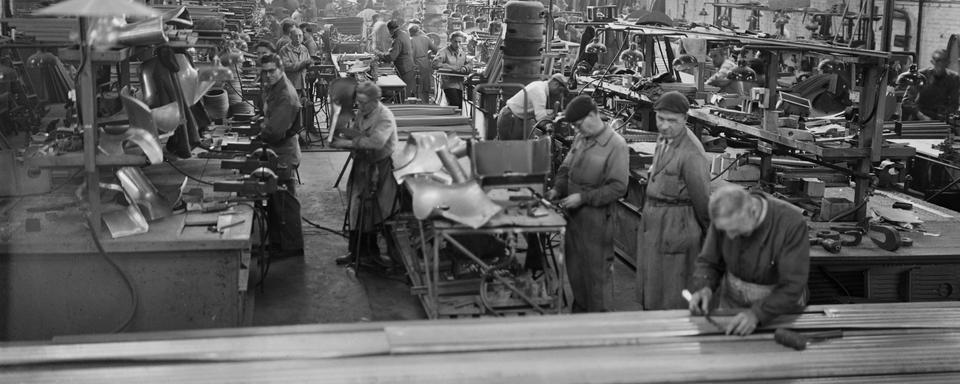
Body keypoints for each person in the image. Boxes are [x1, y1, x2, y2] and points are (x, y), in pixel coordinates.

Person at [687, 185, 810, 336]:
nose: (730, 237)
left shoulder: (791, 224)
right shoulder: (725, 217)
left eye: (735, 231)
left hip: (778, 309)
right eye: (726, 231)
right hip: (732, 302)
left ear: (753, 211)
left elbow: (792, 285)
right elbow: (709, 261)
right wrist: (704, 287)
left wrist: (757, 314)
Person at [545, 95, 629, 313]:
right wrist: (557, 188)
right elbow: (565, 167)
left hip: (597, 223)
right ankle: (579, 318)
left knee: (596, 279)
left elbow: (619, 187)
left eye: (579, 124)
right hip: (574, 220)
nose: (577, 129)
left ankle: (599, 325)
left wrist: (582, 198)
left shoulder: (616, 145)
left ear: (593, 115)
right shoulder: (582, 137)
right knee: (576, 274)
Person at [636, 91, 711, 310]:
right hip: (656, 223)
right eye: (661, 119)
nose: (665, 125)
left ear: (685, 119)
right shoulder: (664, 139)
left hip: (677, 226)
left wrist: (710, 240)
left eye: (672, 121)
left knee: (672, 292)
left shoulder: (691, 153)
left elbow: (703, 201)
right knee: (653, 284)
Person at [331, 81, 399, 268]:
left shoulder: (384, 116)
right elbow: (359, 132)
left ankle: (374, 255)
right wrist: (342, 131)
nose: (358, 106)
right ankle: (356, 252)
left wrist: (347, 144)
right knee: (355, 207)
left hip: (380, 167)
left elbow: (376, 142)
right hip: (363, 164)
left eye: (362, 103)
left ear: (374, 101)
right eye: (357, 102)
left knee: (374, 212)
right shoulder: (364, 111)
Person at [256, 53, 302, 194]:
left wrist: (260, 130)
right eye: (265, 71)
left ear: (281, 69)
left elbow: (274, 133)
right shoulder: (275, 86)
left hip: (283, 155)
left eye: (272, 71)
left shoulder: (285, 96)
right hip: (278, 150)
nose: (268, 75)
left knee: (284, 204)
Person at [494, 73, 567, 140]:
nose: (559, 94)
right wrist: (552, 126)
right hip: (511, 118)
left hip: (517, 117)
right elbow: (541, 120)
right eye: (560, 91)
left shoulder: (539, 85)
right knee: (511, 149)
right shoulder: (540, 92)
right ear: (556, 84)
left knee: (518, 149)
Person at [911, 49, 960, 120]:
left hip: (940, 118)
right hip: (920, 117)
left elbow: (954, 104)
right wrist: (921, 116)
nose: (940, 64)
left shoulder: (953, 78)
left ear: (948, 63)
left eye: (943, 61)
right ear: (932, 62)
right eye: (937, 61)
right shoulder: (921, 75)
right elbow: (908, 100)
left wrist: (944, 115)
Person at [432, 31, 471, 108]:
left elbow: (470, 64)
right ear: (451, 41)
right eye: (455, 42)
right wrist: (451, 67)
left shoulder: (462, 52)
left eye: (459, 42)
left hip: (460, 83)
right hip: (448, 83)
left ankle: (458, 119)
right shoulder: (443, 52)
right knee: (455, 104)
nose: (457, 44)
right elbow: (435, 64)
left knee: (460, 105)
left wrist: (465, 68)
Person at [382, 20, 417, 98]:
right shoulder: (404, 34)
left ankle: (402, 108)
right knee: (405, 92)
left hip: (404, 68)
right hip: (408, 66)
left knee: (402, 94)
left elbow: (392, 56)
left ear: (390, 29)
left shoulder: (398, 39)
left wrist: (381, 55)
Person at [278, 27, 313, 95]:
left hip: (302, 85)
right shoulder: (284, 50)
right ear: (290, 37)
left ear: (302, 37)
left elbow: (308, 63)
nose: (298, 38)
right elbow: (286, 66)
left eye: (300, 36)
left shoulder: (304, 49)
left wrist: (310, 65)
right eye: (295, 36)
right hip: (290, 85)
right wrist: (302, 64)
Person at [408, 24, 438, 103]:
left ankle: (418, 103)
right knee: (425, 85)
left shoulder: (410, 40)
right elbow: (436, 50)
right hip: (425, 63)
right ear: (419, 31)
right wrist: (428, 53)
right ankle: (426, 103)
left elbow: (410, 55)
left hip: (415, 63)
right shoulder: (426, 39)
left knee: (416, 85)